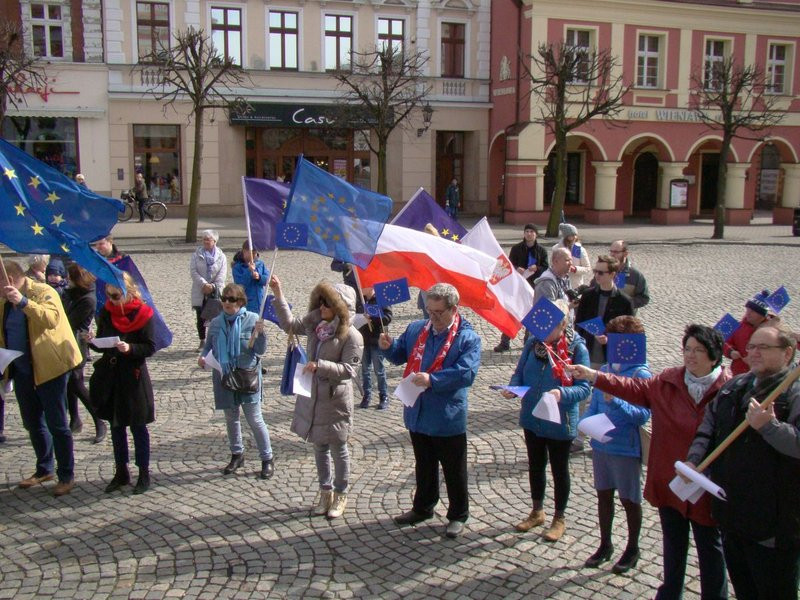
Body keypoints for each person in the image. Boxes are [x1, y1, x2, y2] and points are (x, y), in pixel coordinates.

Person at [568, 324, 731, 600]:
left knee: (710, 549)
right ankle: (670, 593)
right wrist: (596, 375)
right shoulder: (668, 381)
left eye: (699, 351)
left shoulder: (729, 390)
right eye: (687, 349)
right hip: (671, 476)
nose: (690, 356)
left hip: (706, 483)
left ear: (714, 357)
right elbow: (634, 388)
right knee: (673, 545)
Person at [687, 325, 800, 600]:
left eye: (764, 347)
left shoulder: (794, 394)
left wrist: (770, 427)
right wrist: (694, 460)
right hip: (733, 516)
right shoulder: (736, 386)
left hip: (773, 526)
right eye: (751, 347)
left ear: (787, 353)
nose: (754, 353)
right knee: (745, 589)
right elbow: (709, 426)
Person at [380, 283, 482, 539]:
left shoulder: (467, 337)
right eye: (429, 311)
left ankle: (458, 514)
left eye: (438, 312)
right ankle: (423, 506)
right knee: (424, 464)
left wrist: (433, 380)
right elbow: (399, 354)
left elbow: (466, 373)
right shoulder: (417, 328)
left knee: (453, 469)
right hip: (418, 412)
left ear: (454, 309)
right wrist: (388, 346)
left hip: (447, 416)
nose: (433, 318)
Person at [269, 275, 363, 520]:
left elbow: (349, 371)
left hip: (334, 400)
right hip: (312, 396)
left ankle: (341, 493)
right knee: (319, 446)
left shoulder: (351, 336)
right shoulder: (315, 322)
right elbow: (290, 325)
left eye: (327, 304)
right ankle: (325, 491)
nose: (322, 308)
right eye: (320, 303)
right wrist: (279, 295)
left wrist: (320, 366)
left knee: (338, 447)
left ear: (340, 308)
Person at [503, 299, 590, 542]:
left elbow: (584, 389)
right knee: (535, 464)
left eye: (547, 325)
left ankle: (559, 517)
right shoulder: (533, 344)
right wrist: (514, 388)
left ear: (562, 324)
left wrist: (563, 393)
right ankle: (537, 511)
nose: (541, 330)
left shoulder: (576, 349)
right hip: (533, 415)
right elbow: (519, 372)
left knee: (559, 469)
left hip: (560, 420)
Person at [0, 259, 82, 496]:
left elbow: (51, 319)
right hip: (22, 368)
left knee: (57, 423)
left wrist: (23, 302)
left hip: (50, 368)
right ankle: (44, 468)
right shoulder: (4, 302)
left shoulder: (43, 291)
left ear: (11, 280)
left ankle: (66, 474)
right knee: (32, 421)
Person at [580, 316, 651, 574]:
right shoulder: (607, 369)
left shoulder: (640, 373)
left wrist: (616, 400)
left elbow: (642, 415)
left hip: (625, 447)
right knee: (604, 496)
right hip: (602, 445)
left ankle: (633, 547)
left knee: (629, 500)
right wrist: (585, 423)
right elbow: (594, 404)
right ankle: (605, 544)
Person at [89, 272, 156, 495]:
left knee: (138, 426)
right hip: (112, 374)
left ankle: (144, 473)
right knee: (117, 425)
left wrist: (131, 349)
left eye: (116, 295)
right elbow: (103, 343)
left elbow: (150, 346)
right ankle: (121, 471)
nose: (113, 300)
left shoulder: (144, 313)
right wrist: (92, 342)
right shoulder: (107, 312)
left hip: (134, 375)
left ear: (127, 291)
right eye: (109, 295)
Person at [199, 283, 274, 480]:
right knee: (231, 419)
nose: (226, 303)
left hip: (247, 376)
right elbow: (208, 346)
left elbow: (260, 350)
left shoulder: (252, 320)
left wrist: (261, 333)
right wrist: (202, 356)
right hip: (224, 375)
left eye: (231, 300)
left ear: (240, 302)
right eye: (224, 299)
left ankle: (267, 458)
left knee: (254, 419)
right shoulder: (216, 323)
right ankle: (237, 454)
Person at [62, 263, 106, 444]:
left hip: (76, 344)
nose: (66, 280)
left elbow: (69, 322)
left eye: (69, 277)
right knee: (69, 385)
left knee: (76, 384)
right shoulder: (71, 293)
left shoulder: (87, 299)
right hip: (65, 343)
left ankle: (99, 420)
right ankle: (75, 419)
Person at [494, 223, 549, 353]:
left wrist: (537, 268)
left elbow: (546, 268)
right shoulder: (516, 249)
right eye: (527, 231)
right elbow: (508, 265)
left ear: (536, 234)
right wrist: (516, 268)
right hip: (518, 286)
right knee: (512, 312)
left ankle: (528, 342)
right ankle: (505, 341)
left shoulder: (541, 250)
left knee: (531, 314)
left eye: (532, 231)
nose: (529, 234)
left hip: (533, 286)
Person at [574, 255, 634, 368]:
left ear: (612, 274)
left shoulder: (625, 301)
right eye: (595, 271)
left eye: (601, 273)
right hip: (587, 354)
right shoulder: (587, 296)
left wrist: (610, 339)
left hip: (611, 359)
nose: (596, 275)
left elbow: (630, 333)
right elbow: (579, 324)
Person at [190, 230, 227, 351]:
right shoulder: (196, 255)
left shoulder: (221, 256)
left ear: (214, 241)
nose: (205, 241)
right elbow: (193, 271)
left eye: (208, 239)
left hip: (215, 291)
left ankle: (215, 341)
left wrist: (213, 286)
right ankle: (202, 340)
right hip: (200, 290)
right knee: (200, 316)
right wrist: (204, 284)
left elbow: (222, 274)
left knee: (215, 317)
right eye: (204, 239)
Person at [358, 287, 393, 410]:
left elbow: (388, 317)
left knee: (379, 370)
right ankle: (366, 395)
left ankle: (383, 396)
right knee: (365, 370)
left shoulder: (381, 299)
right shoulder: (360, 301)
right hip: (363, 340)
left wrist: (374, 316)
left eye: (364, 286)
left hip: (377, 340)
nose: (361, 288)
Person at [723, 291, 771, 375]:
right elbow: (724, 342)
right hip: (737, 374)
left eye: (753, 311)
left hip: (760, 377)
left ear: (762, 315)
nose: (748, 313)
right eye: (748, 309)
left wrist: (755, 360)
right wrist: (731, 352)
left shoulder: (771, 332)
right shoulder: (739, 326)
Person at [608, 240, 650, 314]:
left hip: (624, 320)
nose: (612, 254)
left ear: (625, 254)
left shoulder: (635, 275)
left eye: (616, 252)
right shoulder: (603, 270)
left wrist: (625, 304)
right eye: (611, 251)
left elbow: (644, 298)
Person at [232, 241, 269, 314]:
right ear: (244, 251)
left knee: (259, 324)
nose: (254, 255)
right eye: (252, 253)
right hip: (246, 302)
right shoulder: (237, 267)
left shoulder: (260, 264)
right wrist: (248, 271)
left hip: (259, 300)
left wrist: (259, 277)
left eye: (255, 253)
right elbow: (240, 284)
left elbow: (268, 280)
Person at [551, 223, 591, 289]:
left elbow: (587, 268)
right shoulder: (556, 249)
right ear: (566, 236)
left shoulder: (580, 249)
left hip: (575, 285)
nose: (575, 237)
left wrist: (575, 269)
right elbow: (552, 266)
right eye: (572, 235)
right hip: (559, 284)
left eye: (575, 235)